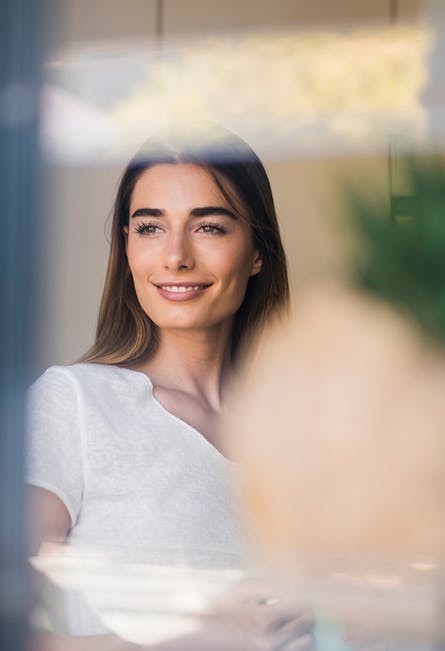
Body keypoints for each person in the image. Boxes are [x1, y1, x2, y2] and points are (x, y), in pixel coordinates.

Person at [26, 127, 312, 651]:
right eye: (150, 228)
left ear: (256, 252)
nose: (175, 256)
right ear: (126, 245)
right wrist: (193, 641)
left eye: (209, 227)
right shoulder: (75, 404)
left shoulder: (294, 432)